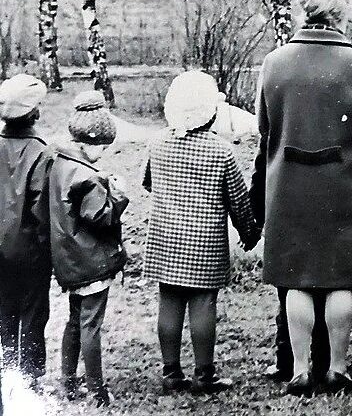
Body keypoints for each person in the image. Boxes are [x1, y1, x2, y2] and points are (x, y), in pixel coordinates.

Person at [253, 0, 352, 397]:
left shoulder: (274, 63)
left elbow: (263, 125)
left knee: (295, 279)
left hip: (289, 182)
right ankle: (338, 367)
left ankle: (298, 368)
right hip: (344, 184)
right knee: (339, 279)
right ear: (341, 9)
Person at [144, 72, 260, 395]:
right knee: (203, 303)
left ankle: (170, 373)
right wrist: (249, 233)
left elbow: (149, 183)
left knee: (168, 301)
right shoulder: (221, 152)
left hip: (166, 239)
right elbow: (238, 200)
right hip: (204, 243)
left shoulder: (157, 143)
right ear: (211, 112)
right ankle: (204, 374)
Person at [50, 91, 129, 407]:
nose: (105, 151)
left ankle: (68, 382)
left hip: (69, 260)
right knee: (90, 326)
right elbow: (100, 217)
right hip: (92, 263)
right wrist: (118, 196)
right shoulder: (91, 176)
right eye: (102, 146)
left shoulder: (60, 164)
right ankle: (97, 390)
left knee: (73, 321)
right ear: (88, 141)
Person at [0, 74, 52, 387]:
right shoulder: (41, 153)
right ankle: (30, 377)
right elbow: (41, 210)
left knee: (3, 311)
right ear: (33, 114)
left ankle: (6, 372)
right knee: (33, 312)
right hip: (30, 249)